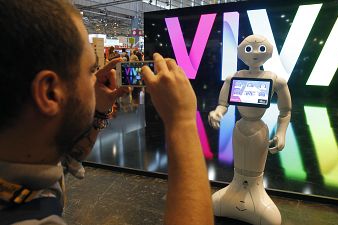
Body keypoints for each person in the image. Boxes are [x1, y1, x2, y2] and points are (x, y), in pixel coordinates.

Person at [0, 1, 213, 225]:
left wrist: (99, 109)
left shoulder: (22, 155)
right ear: (50, 92)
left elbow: (65, 158)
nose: (97, 78)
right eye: (91, 70)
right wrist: (182, 122)